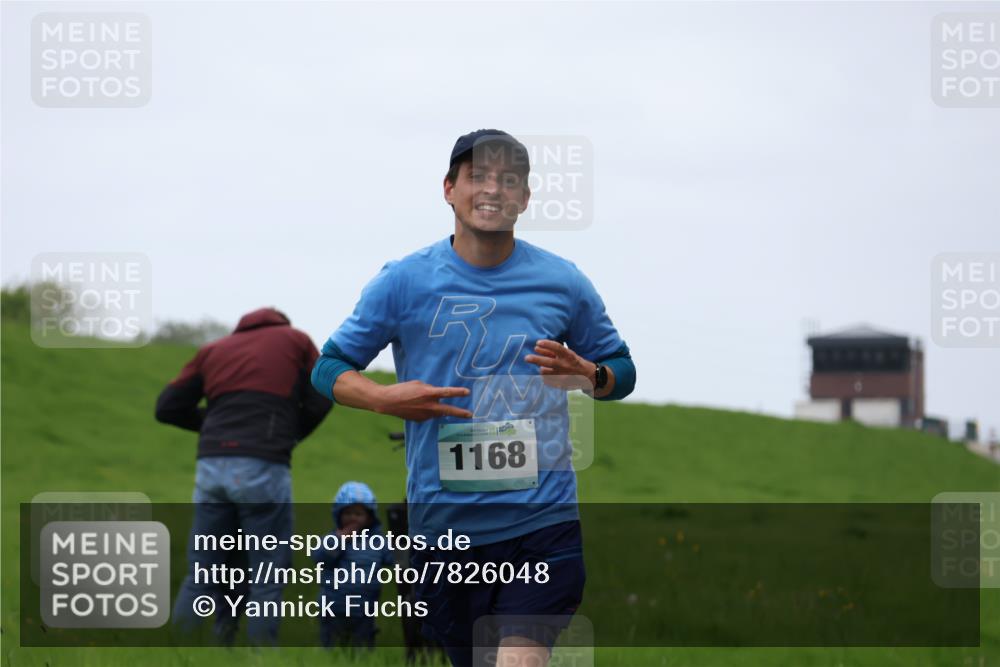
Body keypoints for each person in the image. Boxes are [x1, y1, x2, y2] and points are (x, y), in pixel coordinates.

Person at [311, 129, 636, 667]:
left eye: (510, 180)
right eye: (479, 176)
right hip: (444, 530)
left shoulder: (564, 283)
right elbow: (329, 368)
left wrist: (589, 373)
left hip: (541, 523)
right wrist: (386, 399)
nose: (494, 190)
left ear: (526, 198)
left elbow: (620, 371)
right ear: (449, 189)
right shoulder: (403, 282)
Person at [156, 306, 333, 645]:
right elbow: (323, 395)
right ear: (281, 322)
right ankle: (261, 657)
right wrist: (289, 434)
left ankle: (175, 653)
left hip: (212, 467)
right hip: (262, 466)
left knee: (202, 575)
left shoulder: (213, 350)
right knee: (266, 575)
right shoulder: (295, 340)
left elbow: (167, 407)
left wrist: (213, 426)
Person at [313, 481, 394, 649]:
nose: (353, 518)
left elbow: (394, 560)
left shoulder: (378, 542)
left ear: (369, 517)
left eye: (358, 514)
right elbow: (320, 557)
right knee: (332, 647)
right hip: (333, 607)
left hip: (364, 608)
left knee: (362, 647)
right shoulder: (332, 538)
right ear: (338, 515)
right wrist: (339, 540)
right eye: (348, 513)